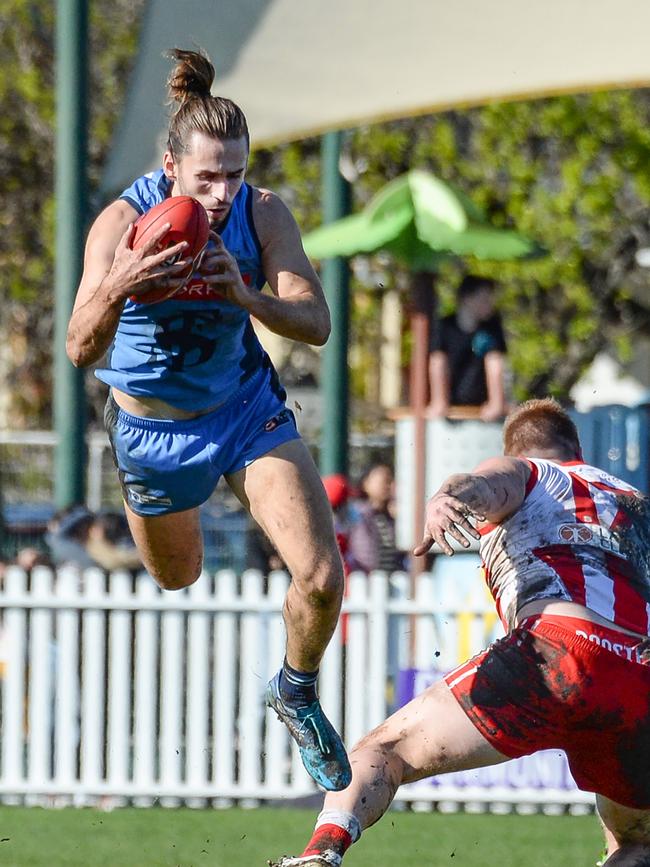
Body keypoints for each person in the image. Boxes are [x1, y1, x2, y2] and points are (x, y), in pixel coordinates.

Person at [65, 48, 350, 792]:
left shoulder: (261, 214)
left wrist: (247, 296)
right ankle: (142, 502)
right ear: (170, 167)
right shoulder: (123, 220)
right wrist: (125, 279)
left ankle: (295, 688)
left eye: (235, 172)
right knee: (179, 576)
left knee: (321, 577)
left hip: (242, 407)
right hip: (152, 429)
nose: (222, 193)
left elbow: (316, 321)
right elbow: (76, 345)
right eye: (207, 177)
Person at [270, 399, 650, 867]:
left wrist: (447, 497)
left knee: (383, 752)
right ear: (578, 449)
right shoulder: (635, 502)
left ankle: (320, 853)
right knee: (637, 843)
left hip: (559, 650)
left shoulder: (532, 471)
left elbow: (489, 482)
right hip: (639, 677)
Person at [428, 274, 508, 422]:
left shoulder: (491, 327)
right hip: (450, 406)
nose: (490, 304)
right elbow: (438, 363)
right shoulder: (445, 327)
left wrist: (496, 403)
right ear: (467, 299)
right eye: (484, 299)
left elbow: (495, 364)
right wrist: (439, 401)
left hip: (481, 407)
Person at [347, 463, 404, 574]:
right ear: (366, 484)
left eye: (390, 481)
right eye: (383, 481)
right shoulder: (357, 513)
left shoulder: (390, 516)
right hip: (363, 576)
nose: (388, 486)